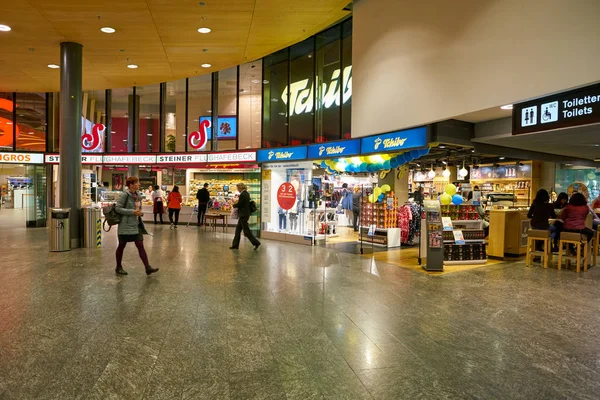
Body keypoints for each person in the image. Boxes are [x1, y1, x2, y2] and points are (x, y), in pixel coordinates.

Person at [114, 176, 158, 276]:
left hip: (136, 224)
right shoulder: (124, 195)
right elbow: (118, 208)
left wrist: (139, 213)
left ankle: (147, 267)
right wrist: (133, 212)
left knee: (140, 245)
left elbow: (138, 208)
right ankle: (118, 267)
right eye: (137, 183)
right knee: (121, 246)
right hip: (125, 225)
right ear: (131, 184)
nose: (139, 184)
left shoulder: (137, 195)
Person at [230, 183, 261, 250]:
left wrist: (234, 205)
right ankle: (235, 245)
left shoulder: (243, 194)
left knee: (246, 231)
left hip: (243, 214)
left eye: (238, 188)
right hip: (245, 214)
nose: (237, 189)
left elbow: (240, 204)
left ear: (240, 188)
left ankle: (256, 242)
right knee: (238, 230)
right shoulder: (246, 193)